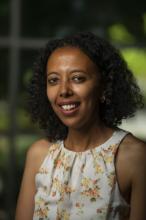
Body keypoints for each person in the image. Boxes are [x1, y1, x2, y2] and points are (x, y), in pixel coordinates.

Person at [15, 32, 146, 220]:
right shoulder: (39, 155)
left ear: (104, 88)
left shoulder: (135, 157)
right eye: (53, 80)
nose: (64, 91)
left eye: (78, 78)